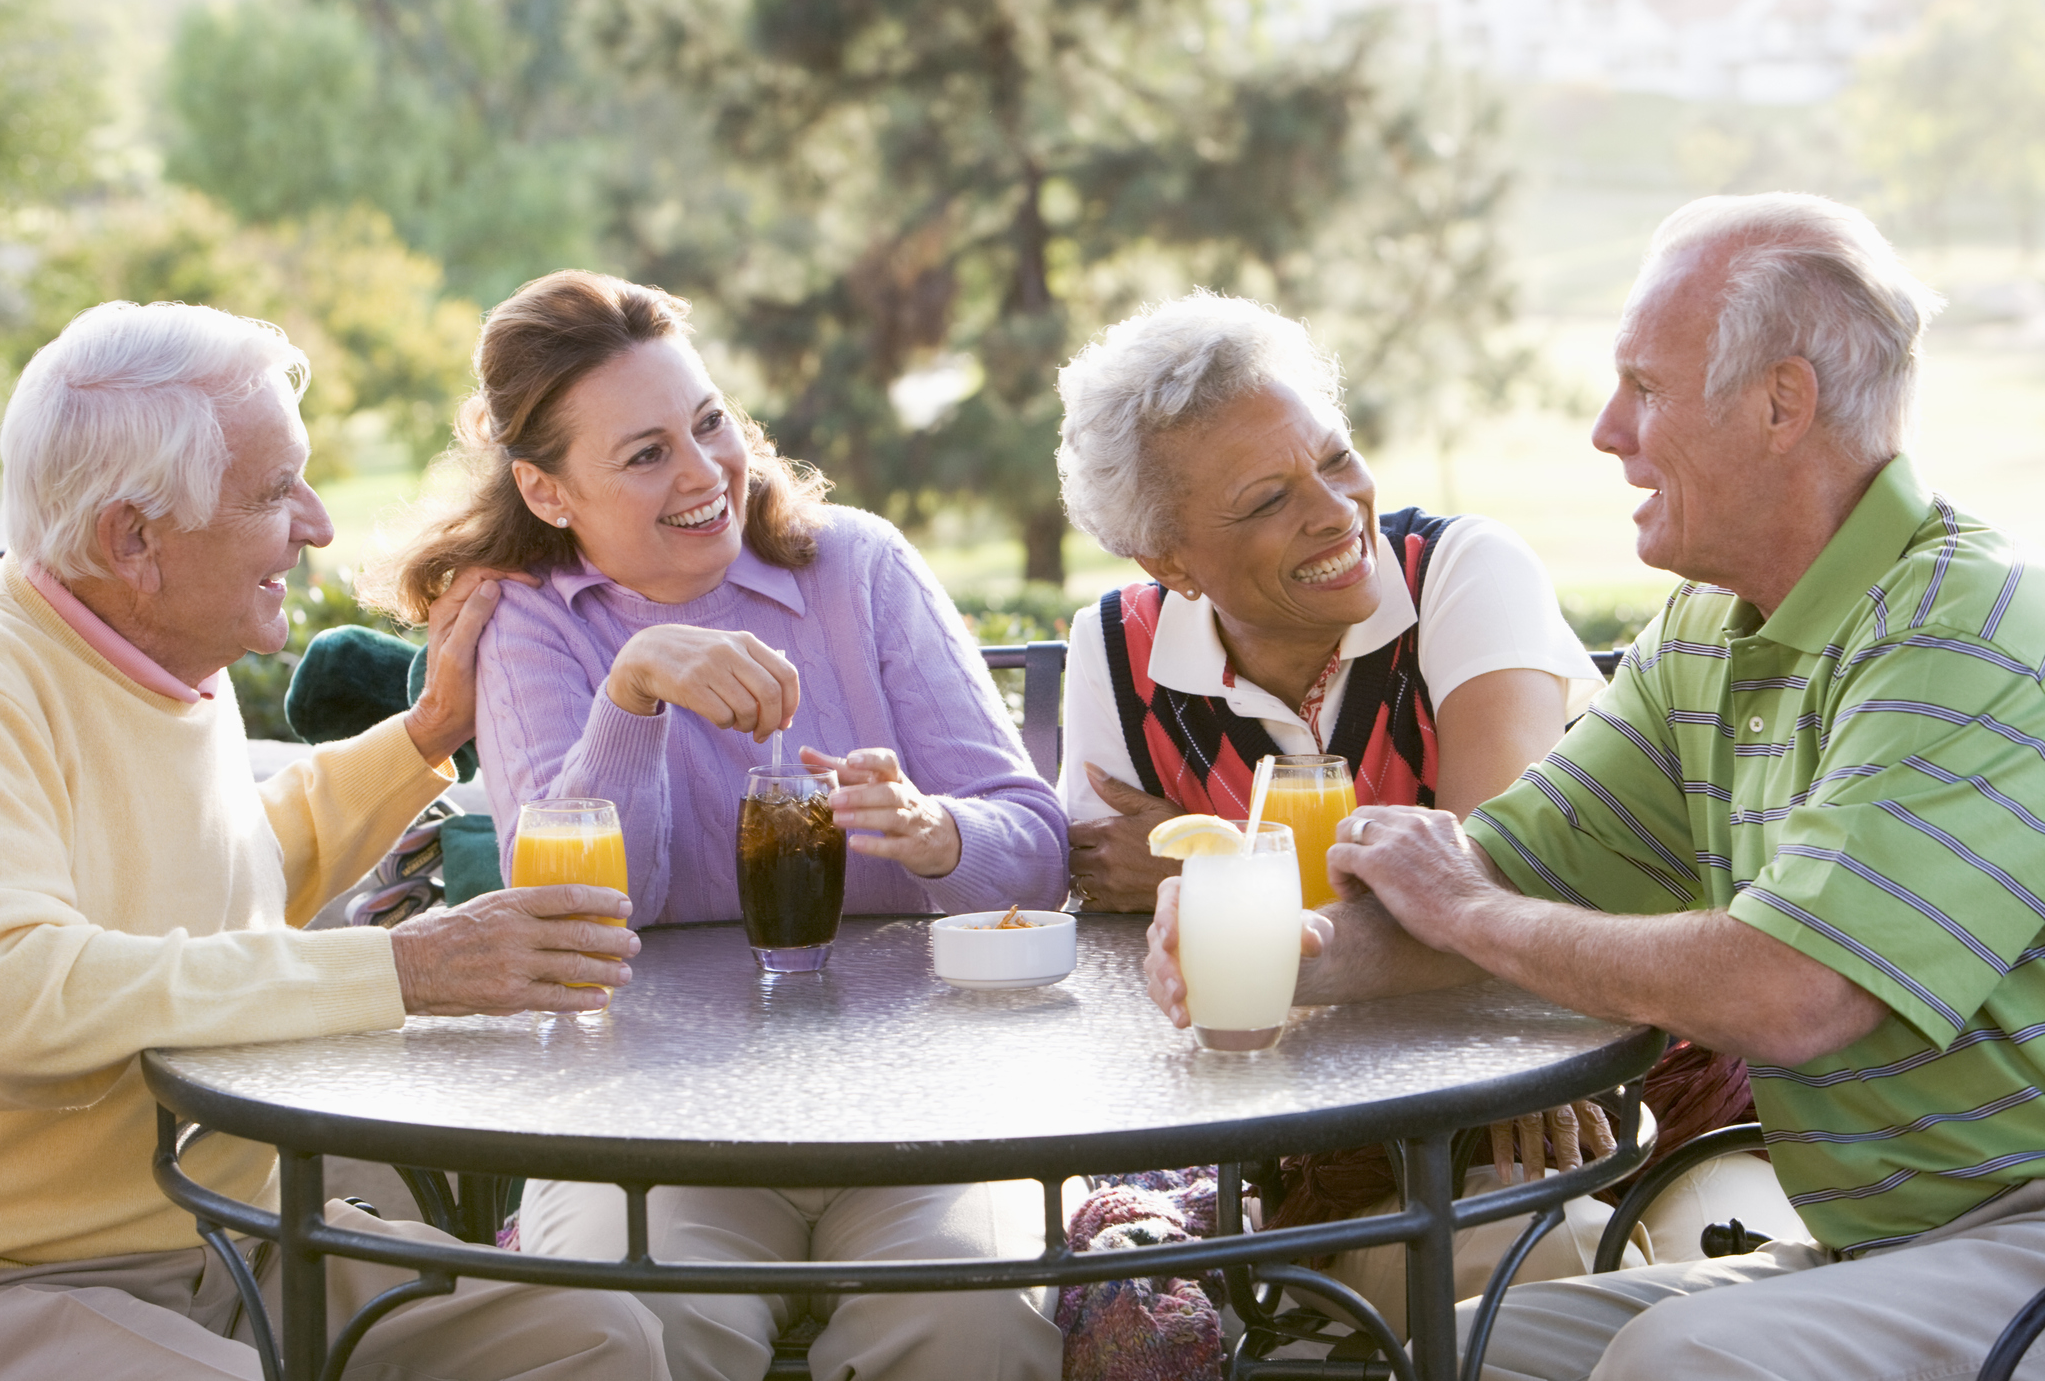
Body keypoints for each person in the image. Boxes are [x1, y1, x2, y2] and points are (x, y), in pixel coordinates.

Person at [1147, 193, 2045, 1381]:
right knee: (1464, 1350)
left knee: (1677, 1360)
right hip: (1881, 1244)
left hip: (2018, 1232)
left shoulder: (1970, 627)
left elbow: (1797, 994)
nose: (1607, 430)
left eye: (1647, 387)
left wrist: (1468, 912)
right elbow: (1502, 872)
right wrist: (1290, 945)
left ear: (1783, 402)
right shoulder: (1709, 635)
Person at [0, 302, 667, 1378]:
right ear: (134, 538)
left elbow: (220, 872)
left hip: (235, 1238)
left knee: (593, 1338)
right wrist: (407, 966)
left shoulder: (162, 645)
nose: (317, 523)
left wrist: (424, 736)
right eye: (275, 492)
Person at [1052, 291, 1802, 1330]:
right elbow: (1113, 912)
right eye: (1268, 498)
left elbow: (1494, 881)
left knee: (1701, 1288)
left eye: (1336, 456)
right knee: (1507, 1279)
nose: (1332, 509)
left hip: (1615, 1073)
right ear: (1170, 559)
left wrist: (1199, 879)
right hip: (1344, 1137)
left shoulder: (1460, 572)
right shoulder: (1114, 652)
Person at [379, 270, 1068, 1381]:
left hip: (919, 1103)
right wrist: (632, 692)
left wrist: (933, 829)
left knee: (969, 1325)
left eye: (708, 424)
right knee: (636, 1334)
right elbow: (584, 915)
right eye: (645, 453)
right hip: (645, 1118)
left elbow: (1037, 842)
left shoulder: (860, 567)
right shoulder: (530, 626)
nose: (705, 475)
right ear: (549, 493)